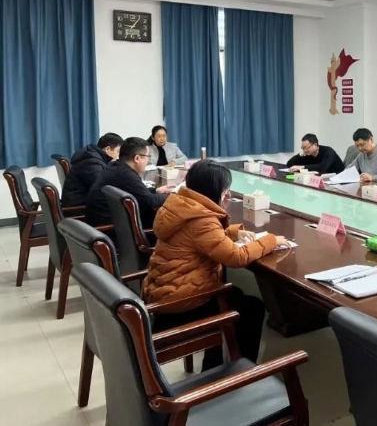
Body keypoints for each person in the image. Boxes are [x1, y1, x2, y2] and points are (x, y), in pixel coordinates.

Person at [143, 160, 287, 371]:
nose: (227, 193)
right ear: (214, 189)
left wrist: (232, 232)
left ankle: (214, 365)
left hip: (165, 292)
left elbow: (198, 238)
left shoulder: (181, 206)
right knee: (251, 308)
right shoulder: (202, 220)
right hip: (183, 303)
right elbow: (236, 257)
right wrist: (270, 241)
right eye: (225, 189)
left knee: (236, 296)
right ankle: (237, 371)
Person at [85, 137, 173, 229]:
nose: (148, 160)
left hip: (104, 223)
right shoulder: (125, 174)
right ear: (137, 158)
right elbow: (151, 201)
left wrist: (156, 190)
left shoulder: (116, 166)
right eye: (148, 156)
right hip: (111, 229)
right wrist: (174, 195)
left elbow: (137, 191)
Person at [61, 133, 123, 208]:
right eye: (118, 151)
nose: (118, 156)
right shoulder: (91, 163)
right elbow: (102, 187)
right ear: (107, 149)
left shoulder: (92, 156)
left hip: (81, 202)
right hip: (78, 208)